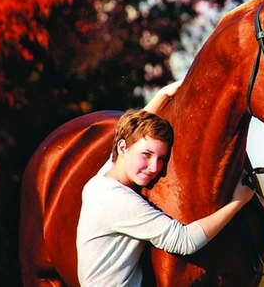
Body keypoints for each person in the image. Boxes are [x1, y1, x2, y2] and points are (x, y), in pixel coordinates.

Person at [76, 80, 254, 287]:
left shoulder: (101, 181)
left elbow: (128, 134)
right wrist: (237, 203)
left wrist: (162, 94)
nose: (154, 167)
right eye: (147, 155)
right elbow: (184, 241)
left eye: (161, 158)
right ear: (123, 149)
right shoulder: (116, 200)